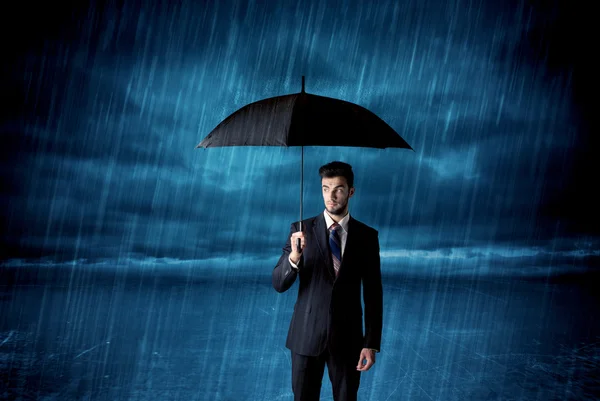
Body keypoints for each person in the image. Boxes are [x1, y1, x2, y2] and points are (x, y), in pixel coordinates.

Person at [272, 161, 383, 401]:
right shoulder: (300, 230)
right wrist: (294, 257)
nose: (330, 196)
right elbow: (279, 284)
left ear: (351, 191)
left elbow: (373, 293)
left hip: (348, 341)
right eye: (325, 188)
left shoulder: (367, 236)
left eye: (338, 189)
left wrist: (371, 343)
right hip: (305, 337)